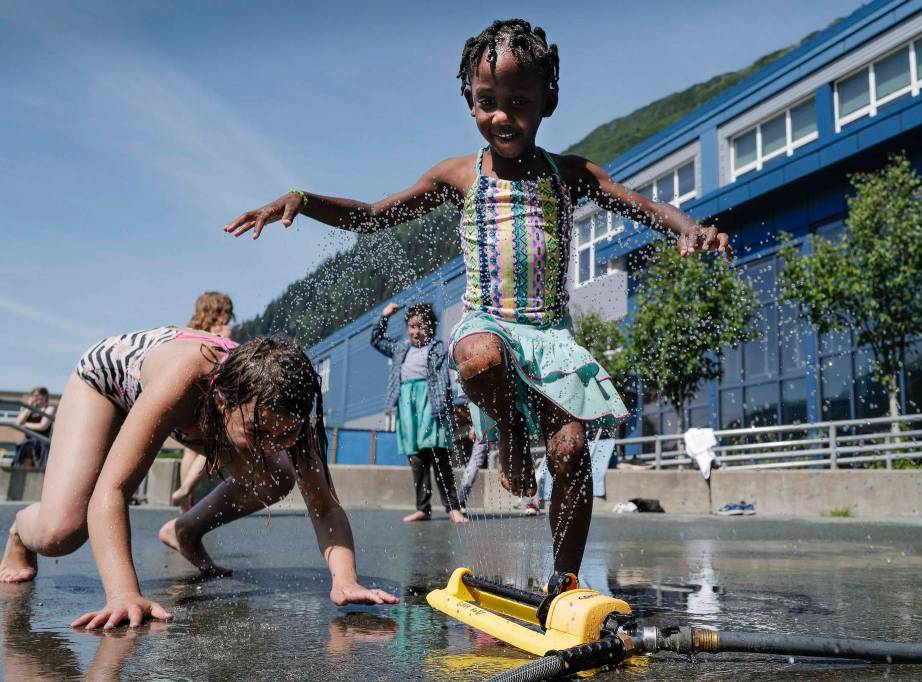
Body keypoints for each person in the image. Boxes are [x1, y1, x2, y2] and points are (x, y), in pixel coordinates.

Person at [222, 18, 729, 576]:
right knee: (480, 356)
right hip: (488, 323)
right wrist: (301, 197)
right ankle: (509, 429)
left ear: (548, 101)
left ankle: (564, 582)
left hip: (551, 338)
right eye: (487, 101)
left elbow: (645, 205)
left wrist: (688, 228)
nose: (501, 116)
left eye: (518, 101)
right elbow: (375, 216)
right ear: (469, 100)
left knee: (571, 454)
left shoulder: (570, 174)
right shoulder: (460, 174)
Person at [0, 327, 397, 628]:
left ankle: (185, 531)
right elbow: (114, 487)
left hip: (203, 412)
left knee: (276, 476)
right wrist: (123, 594)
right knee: (63, 531)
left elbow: (325, 508)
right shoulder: (186, 379)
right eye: (261, 434)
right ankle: (21, 532)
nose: (274, 443)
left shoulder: (285, 409)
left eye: (286, 434)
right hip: (107, 386)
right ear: (225, 402)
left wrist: (345, 579)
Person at [371, 302, 468, 524]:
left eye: (421, 326)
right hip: (407, 405)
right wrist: (384, 316)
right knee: (417, 459)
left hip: (431, 404)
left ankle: (453, 509)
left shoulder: (440, 348)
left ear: (431, 327)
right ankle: (423, 508)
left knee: (439, 456)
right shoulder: (400, 348)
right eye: (412, 326)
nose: (416, 331)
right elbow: (376, 339)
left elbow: (457, 355)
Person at [172, 291, 236, 509]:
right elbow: (226, 358)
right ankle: (188, 487)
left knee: (189, 448)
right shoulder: (222, 331)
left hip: (185, 391)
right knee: (215, 441)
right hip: (209, 392)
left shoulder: (189, 330)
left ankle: (185, 504)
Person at [13, 388, 55, 468]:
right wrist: (28, 407)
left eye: (37, 396)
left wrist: (25, 424)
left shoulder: (49, 409)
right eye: (33, 396)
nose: (34, 398)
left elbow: (42, 426)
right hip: (27, 441)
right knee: (25, 453)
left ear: (44, 396)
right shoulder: (28, 409)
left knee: (38, 465)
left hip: (41, 441)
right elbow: (18, 423)